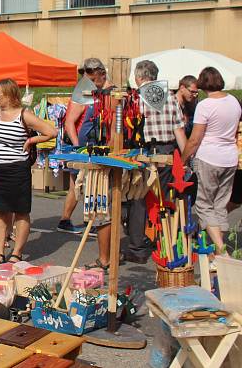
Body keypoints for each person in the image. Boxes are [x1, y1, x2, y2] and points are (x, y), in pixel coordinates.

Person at [90, 60, 187, 269]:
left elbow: (123, 128)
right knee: (166, 200)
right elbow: (179, 132)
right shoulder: (169, 97)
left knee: (138, 199)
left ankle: (137, 247)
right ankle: (167, 242)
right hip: (167, 151)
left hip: (142, 152)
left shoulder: (136, 98)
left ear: (139, 77)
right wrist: (186, 160)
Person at [0, 79, 57, 268]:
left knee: (20, 211)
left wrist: (32, 140)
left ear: (9, 95)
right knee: (0, 210)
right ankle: (0, 252)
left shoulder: (25, 114)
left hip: (17, 169)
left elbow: (52, 132)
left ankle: (17, 252)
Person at [182, 67, 242, 256]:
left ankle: (221, 249)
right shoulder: (233, 101)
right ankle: (218, 251)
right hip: (230, 156)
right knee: (220, 204)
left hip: (210, 157)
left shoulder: (205, 105)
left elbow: (195, 138)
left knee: (204, 205)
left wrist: (184, 158)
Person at [59, 57, 114, 235]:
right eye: (87, 76)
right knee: (79, 184)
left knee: (89, 184)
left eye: (91, 76)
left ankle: (80, 221)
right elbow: (69, 123)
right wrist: (77, 148)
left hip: (96, 143)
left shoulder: (104, 89)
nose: (88, 79)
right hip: (82, 145)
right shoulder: (82, 93)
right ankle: (68, 220)